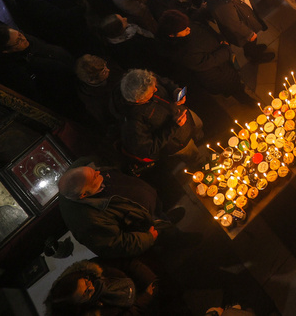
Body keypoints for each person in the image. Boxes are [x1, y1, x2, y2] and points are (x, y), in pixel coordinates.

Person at [57, 162, 187, 258]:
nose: (97, 172)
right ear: (83, 195)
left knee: (161, 215)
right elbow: (116, 245)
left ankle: (166, 219)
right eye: (94, 177)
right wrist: (148, 238)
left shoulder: (83, 171)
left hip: (149, 205)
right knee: (165, 234)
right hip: (146, 225)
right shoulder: (89, 220)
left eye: (93, 171)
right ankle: (178, 240)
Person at [115, 69, 205, 167]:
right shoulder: (133, 123)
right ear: (139, 100)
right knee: (194, 155)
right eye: (153, 91)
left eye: (155, 86)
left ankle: (202, 139)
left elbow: (164, 82)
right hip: (178, 141)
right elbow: (149, 149)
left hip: (187, 117)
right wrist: (173, 126)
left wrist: (174, 90)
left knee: (199, 127)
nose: (156, 90)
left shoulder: (144, 79)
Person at [155, 9, 250, 102]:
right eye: (184, 29)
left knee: (236, 82)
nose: (188, 28)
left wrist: (220, 39)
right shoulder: (180, 51)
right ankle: (248, 102)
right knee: (236, 89)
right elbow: (208, 62)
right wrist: (225, 49)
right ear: (172, 35)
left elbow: (205, 29)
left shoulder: (185, 27)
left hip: (223, 63)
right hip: (217, 75)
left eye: (187, 25)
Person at [196, 0, 275, 64]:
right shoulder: (219, 3)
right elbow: (233, 23)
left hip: (246, 16)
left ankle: (254, 49)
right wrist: (248, 34)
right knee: (249, 44)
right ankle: (254, 57)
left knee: (252, 42)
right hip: (242, 31)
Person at [0, 25, 75, 102]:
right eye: (18, 41)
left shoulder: (28, 40)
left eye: (20, 35)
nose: (23, 39)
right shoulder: (16, 69)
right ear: (6, 51)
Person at [45, 258, 157, 316]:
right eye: (85, 294)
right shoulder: (94, 312)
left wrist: (149, 279)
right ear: (78, 305)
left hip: (142, 277)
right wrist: (145, 298)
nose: (91, 287)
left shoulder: (93, 269)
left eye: (86, 282)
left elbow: (125, 263)